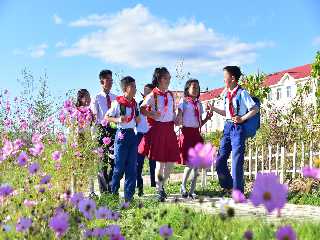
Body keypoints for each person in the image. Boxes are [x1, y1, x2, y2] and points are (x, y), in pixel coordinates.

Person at [212, 66, 259, 193]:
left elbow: (255, 109)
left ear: (232, 78)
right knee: (220, 159)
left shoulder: (242, 93)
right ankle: (228, 185)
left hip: (238, 128)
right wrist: (213, 109)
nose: (223, 80)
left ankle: (238, 192)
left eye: (224, 77)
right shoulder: (226, 95)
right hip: (227, 127)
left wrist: (242, 118)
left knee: (237, 160)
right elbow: (226, 113)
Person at [138, 67, 180, 202]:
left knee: (171, 161)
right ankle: (159, 189)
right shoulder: (153, 95)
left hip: (169, 129)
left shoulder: (171, 95)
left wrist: (176, 118)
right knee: (160, 162)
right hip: (158, 129)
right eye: (167, 77)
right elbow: (142, 109)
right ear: (161, 79)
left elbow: (172, 112)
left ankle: (162, 186)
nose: (169, 80)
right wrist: (151, 113)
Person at [105, 76, 141, 202]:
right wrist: (118, 119)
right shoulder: (117, 103)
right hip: (121, 135)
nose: (135, 89)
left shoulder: (135, 104)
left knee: (131, 168)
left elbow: (137, 120)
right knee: (119, 167)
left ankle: (128, 199)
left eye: (136, 86)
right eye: (133, 86)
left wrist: (138, 119)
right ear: (126, 88)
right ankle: (113, 194)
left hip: (132, 135)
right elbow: (107, 117)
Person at [176, 79, 213, 198]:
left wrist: (207, 118)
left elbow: (199, 122)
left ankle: (192, 191)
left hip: (196, 135)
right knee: (190, 163)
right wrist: (179, 119)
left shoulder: (199, 104)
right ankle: (183, 186)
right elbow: (180, 113)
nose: (196, 89)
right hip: (187, 134)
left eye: (197, 87)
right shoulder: (184, 101)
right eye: (193, 87)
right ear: (187, 89)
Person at [91, 70, 117, 194]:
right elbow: (94, 117)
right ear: (102, 81)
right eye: (108, 80)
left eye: (112, 79)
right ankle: (104, 191)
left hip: (113, 130)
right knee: (102, 162)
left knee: (114, 161)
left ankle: (111, 187)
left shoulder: (115, 98)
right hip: (101, 130)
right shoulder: (96, 98)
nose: (111, 82)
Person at [135, 83, 156, 197]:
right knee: (138, 163)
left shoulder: (156, 106)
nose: (147, 94)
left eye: (150, 92)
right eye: (145, 92)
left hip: (152, 136)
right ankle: (140, 188)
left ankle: (155, 186)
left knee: (154, 163)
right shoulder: (138, 105)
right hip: (140, 136)